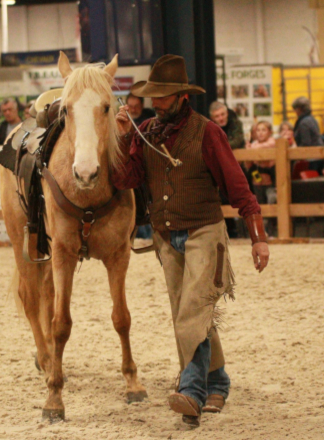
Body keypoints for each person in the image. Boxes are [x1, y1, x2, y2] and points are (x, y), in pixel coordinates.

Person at [113, 54, 269, 427]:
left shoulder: (208, 132)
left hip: (204, 233)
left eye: (162, 96)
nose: (155, 102)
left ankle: (192, 391)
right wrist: (122, 139)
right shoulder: (146, 131)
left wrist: (258, 238)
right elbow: (127, 179)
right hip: (166, 238)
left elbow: (237, 187)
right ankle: (219, 382)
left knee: (190, 315)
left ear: (182, 96)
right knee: (192, 316)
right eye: (153, 96)